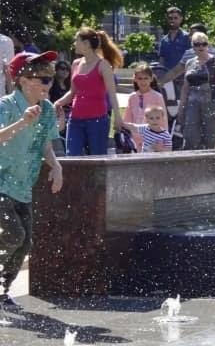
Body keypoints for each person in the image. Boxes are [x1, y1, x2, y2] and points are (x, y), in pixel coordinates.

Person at [0, 52, 64, 315]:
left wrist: (56, 166)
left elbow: (44, 143)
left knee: (25, 243)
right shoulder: (5, 106)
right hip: (1, 183)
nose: (49, 84)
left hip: (23, 186)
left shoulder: (46, 109)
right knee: (14, 236)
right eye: (43, 79)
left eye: (50, 78)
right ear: (24, 81)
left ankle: (2, 291)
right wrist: (22, 122)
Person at [54, 28, 124, 156]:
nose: (74, 43)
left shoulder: (103, 65)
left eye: (77, 40)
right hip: (75, 119)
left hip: (97, 120)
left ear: (86, 43)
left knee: (97, 157)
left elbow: (112, 94)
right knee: (72, 156)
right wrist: (57, 103)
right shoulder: (75, 64)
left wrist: (118, 117)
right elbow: (72, 93)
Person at [175, 32, 215, 150]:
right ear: (193, 46)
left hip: (212, 103)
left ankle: (214, 159)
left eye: (204, 43)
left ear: (208, 45)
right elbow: (185, 88)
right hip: (192, 104)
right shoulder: (189, 63)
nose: (201, 46)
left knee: (212, 135)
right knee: (191, 134)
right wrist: (181, 108)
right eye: (197, 44)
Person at [123, 62, 167, 151]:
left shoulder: (157, 97)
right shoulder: (132, 97)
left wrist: (162, 140)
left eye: (146, 78)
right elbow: (127, 119)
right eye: (140, 78)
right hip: (135, 142)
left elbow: (164, 120)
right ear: (135, 79)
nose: (143, 81)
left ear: (151, 79)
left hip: (153, 141)